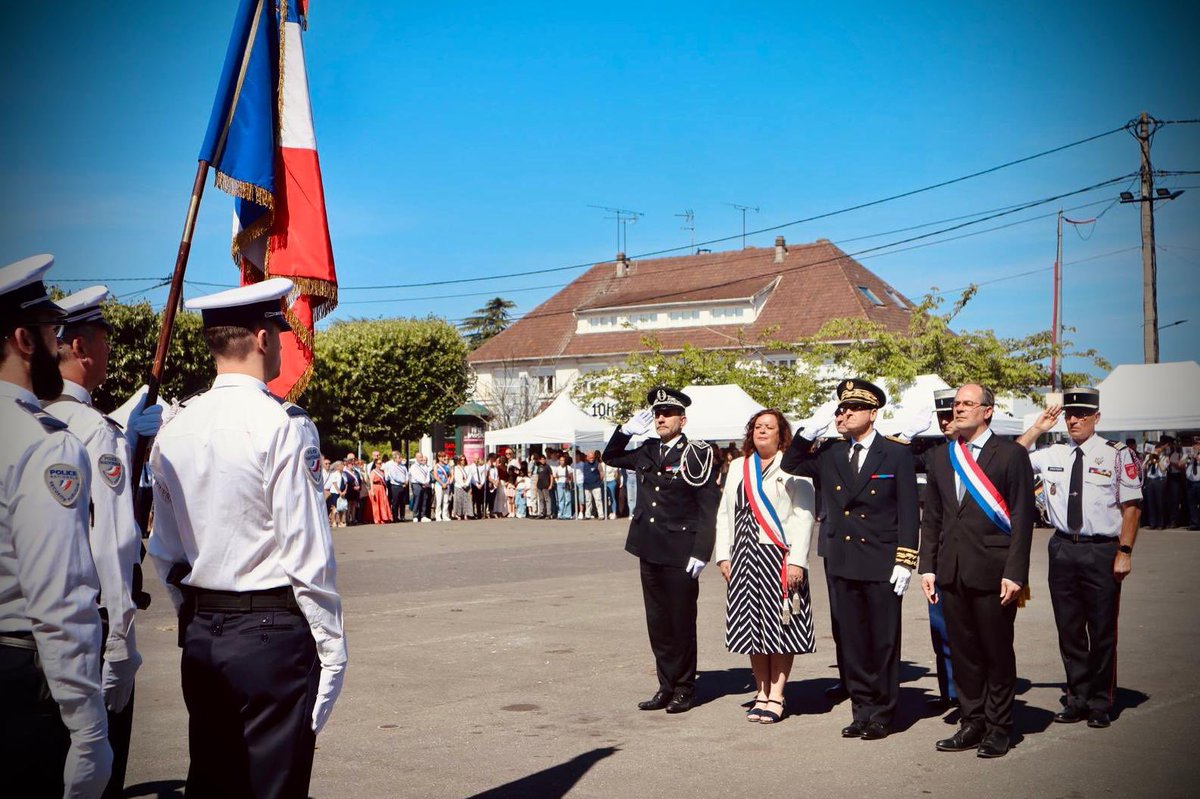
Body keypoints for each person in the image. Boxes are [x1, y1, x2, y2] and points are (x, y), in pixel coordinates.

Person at [146, 278, 346, 796]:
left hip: (205, 630)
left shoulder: (176, 426)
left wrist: (194, 614)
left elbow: (164, 550)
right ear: (261, 337)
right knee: (271, 785)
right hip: (270, 634)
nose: (281, 343)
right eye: (279, 333)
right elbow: (306, 551)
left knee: (213, 778)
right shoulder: (280, 424)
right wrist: (331, 644)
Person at [0, 255, 112, 797]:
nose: (58, 346)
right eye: (51, 334)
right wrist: (88, 725)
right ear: (24, 339)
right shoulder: (45, 443)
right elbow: (58, 598)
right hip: (20, 677)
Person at [48, 286, 164, 797]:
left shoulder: (30, 421)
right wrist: (121, 644)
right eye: (105, 341)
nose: (110, 353)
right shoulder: (97, 432)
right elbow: (115, 546)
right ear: (81, 348)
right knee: (99, 774)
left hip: (27, 632)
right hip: (86, 629)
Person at [780, 379, 919, 741]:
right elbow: (792, 462)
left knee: (883, 640)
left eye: (852, 409)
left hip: (881, 558)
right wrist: (806, 432)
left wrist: (906, 560)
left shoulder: (896, 453)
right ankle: (862, 710)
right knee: (852, 639)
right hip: (842, 558)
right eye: (840, 409)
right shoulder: (831, 452)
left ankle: (884, 713)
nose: (843, 414)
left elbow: (908, 511)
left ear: (873, 414)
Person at [918, 383, 1035, 759]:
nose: (959, 409)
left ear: (988, 411)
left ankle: (1000, 726)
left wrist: (1016, 572)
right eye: (956, 404)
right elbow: (932, 517)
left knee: (996, 652)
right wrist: (928, 567)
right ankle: (973, 721)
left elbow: (1022, 517)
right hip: (951, 571)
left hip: (994, 569)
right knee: (963, 651)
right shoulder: (940, 456)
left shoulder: (1011, 454)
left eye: (968, 403)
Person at [1019, 388, 1142, 729]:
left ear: (1096, 418)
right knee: (1069, 628)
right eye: (1069, 416)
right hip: (1062, 548)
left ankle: (1101, 701)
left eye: (1081, 416)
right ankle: (1077, 698)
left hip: (1101, 549)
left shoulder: (1117, 455)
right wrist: (1038, 429)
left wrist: (1125, 552)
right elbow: (1010, 459)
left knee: (1101, 629)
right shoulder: (1052, 452)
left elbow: (1132, 508)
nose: (1073, 421)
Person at [603, 386, 720, 714]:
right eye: (657, 413)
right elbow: (610, 457)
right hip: (649, 545)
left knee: (681, 621)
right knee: (658, 621)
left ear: (682, 420)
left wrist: (702, 550)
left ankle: (684, 687)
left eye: (667, 414)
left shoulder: (697, 453)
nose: (660, 418)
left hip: (681, 550)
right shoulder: (646, 450)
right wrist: (624, 432)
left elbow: (708, 505)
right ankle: (665, 685)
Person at [715, 409, 816, 724]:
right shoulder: (737, 466)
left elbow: (804, 515)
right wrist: (723, 554)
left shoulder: (794, 466)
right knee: (752, 628)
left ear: (780, 433)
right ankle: (760, 692)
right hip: (744, 554)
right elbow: (724, 513)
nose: (762, 431)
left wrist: (797, 561)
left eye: (769, 427)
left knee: (780, 629)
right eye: (757, 426)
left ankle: (777, 695)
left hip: (779, 556)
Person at [367, 454, 393, 524]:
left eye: (381, 463)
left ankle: (383, 517)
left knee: (382, 504)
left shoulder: (382, 472)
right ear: (375, 464)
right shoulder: (373, 472)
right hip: (375, 488)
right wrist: (372, 491)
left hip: (381, 488)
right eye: (378, 463)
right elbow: (371, 482)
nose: (380, 465)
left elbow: (384, 481)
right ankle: (377, 518)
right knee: (376, 504)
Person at [384, 452, 408, 523]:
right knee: (395, 502)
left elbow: (406, 473)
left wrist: (406, 481)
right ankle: (395, 517)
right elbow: (394, 477)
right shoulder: (392, 466)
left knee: (402, 502)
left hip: (403, 486)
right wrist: (403, 481)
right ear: (395, 459)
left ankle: (402, 516)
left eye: (400, 457)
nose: (400, 459)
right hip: (396, 486)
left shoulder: (403, 466)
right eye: (399, 458)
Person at [409, 453, 432, 522]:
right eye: (419, 457)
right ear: (416, 458)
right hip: (417, 484)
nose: (421, 458)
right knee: (417, 499)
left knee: (424, 499)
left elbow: (428, 475)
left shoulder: (425, 466)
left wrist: (426, 482)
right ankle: (415, 516)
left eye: (421, 457)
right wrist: (423, 482)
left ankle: (423, 516)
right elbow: (415, 476)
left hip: (425, 484)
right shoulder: (413, 466)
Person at [581, 450, 604, 519]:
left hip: (596, 485)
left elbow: (602, 473)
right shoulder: (584, 465)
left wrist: (599, 481)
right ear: (587, 458)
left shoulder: (598, 464)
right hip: (587, 486)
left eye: (593, 457)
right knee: (588, 501)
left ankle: (601, 515)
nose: (592, 459)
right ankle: (587, 515)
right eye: (590, 458)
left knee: (598, 500)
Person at [553, 454, 574, 519]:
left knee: (568, 499)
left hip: (567, 484)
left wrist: (570, 483)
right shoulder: (557, 468)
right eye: (561, 460)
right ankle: (560, 514)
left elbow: (571, 476)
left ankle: (567, 514)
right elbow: (554, 476)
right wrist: (557, 480)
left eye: (563, 460)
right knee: (561, 499)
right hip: (559, 484)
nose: (562, 461)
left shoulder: (569, 468)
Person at [1186, 442, 1200, 530]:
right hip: (1190, 482)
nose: (1195, 446)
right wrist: (1189, 457)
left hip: (1199, 482)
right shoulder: (1189, 454)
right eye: (1194, 444)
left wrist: (1196, 458)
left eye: (1198, 444)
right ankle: (1194, 524)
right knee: (1192, 504)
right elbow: (1180, 463)